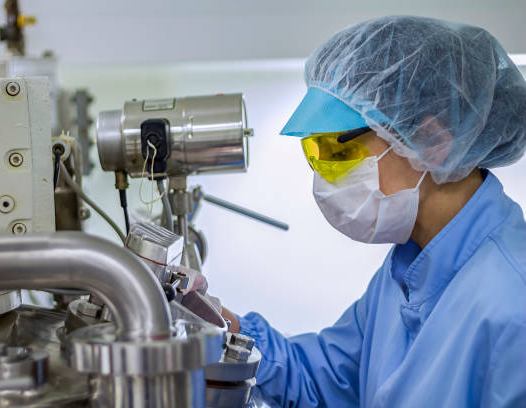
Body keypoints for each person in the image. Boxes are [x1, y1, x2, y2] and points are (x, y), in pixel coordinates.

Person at [212, 16, 526, 407]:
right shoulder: (408, 272)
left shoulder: (512, 304)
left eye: (339, 152)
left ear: (432, 142)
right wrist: (224, 330)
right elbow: (327, 381)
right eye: (316, 155)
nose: (324, 178)